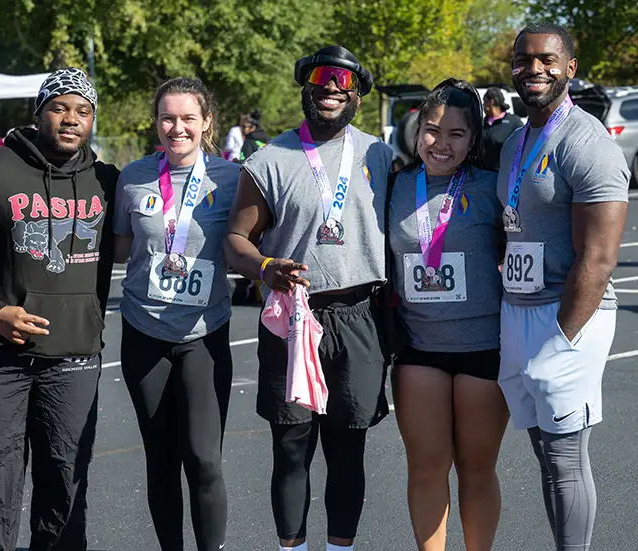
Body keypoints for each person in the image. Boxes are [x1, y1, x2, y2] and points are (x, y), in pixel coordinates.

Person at [0, 67, 119, 551]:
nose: (70, 119)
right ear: (38, 112)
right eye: (59, 107)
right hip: (0, 359)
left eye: (83, 111)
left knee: (66, 487)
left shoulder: (107, 180)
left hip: (76, 358)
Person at [225, 45, 393, 551]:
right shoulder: (269, 159)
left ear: (358, 95)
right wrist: (265, 267)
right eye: (320, 80)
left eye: (343, 82)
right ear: (305, 87)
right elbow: (235, 241)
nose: (330, 90)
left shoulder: (379, 156)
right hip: (292, 317)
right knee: (291, 448)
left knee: (348, 451)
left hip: (361, 316)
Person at [497, 23, 630, 550]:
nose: (534, 69)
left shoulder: (587, 142)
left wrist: (562, 335)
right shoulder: (514, 142)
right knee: (545, 455)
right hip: (519, 309)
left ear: (569, 68)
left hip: (571, 312)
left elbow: (598, 259)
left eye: (547, 60)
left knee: (564, 457)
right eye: (523, 60)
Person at [113, 77, 239, 551]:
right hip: (143, 330)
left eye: (188, 118)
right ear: (156, 122)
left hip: (204, 335)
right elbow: (119, 251)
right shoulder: (134, 177)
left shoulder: (231, 180)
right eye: (168, 117)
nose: (177, 128)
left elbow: (252, 242)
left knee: (205, 460)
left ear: (207, 122)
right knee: (160, 459)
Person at [389, 79, 508, 551]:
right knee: (425, 466)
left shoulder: (490, 188)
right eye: (432, 130)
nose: (441, 143)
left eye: (456, 134)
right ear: (417, 132)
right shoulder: (395, 184)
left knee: (477, 468)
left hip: (484, 347)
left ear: (473, 139)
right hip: (419, 348)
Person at [481, 88, 523, 171]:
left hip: (503, 173)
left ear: (491, 101)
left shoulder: (514, 123)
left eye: (484, 101)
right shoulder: (482, 123)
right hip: (482, 173)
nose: (483, 105)